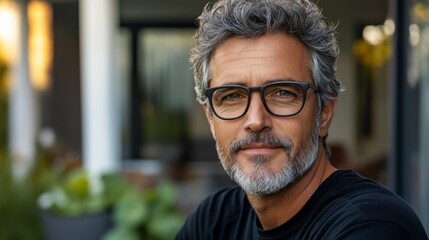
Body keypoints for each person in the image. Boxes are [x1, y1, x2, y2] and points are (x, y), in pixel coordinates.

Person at [175, 0, 429, 239]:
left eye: (282, 93)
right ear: (210, 117)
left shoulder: (373, 225)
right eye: (231, 96)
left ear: (324, 113)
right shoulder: (214, 221)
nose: (255, 120)